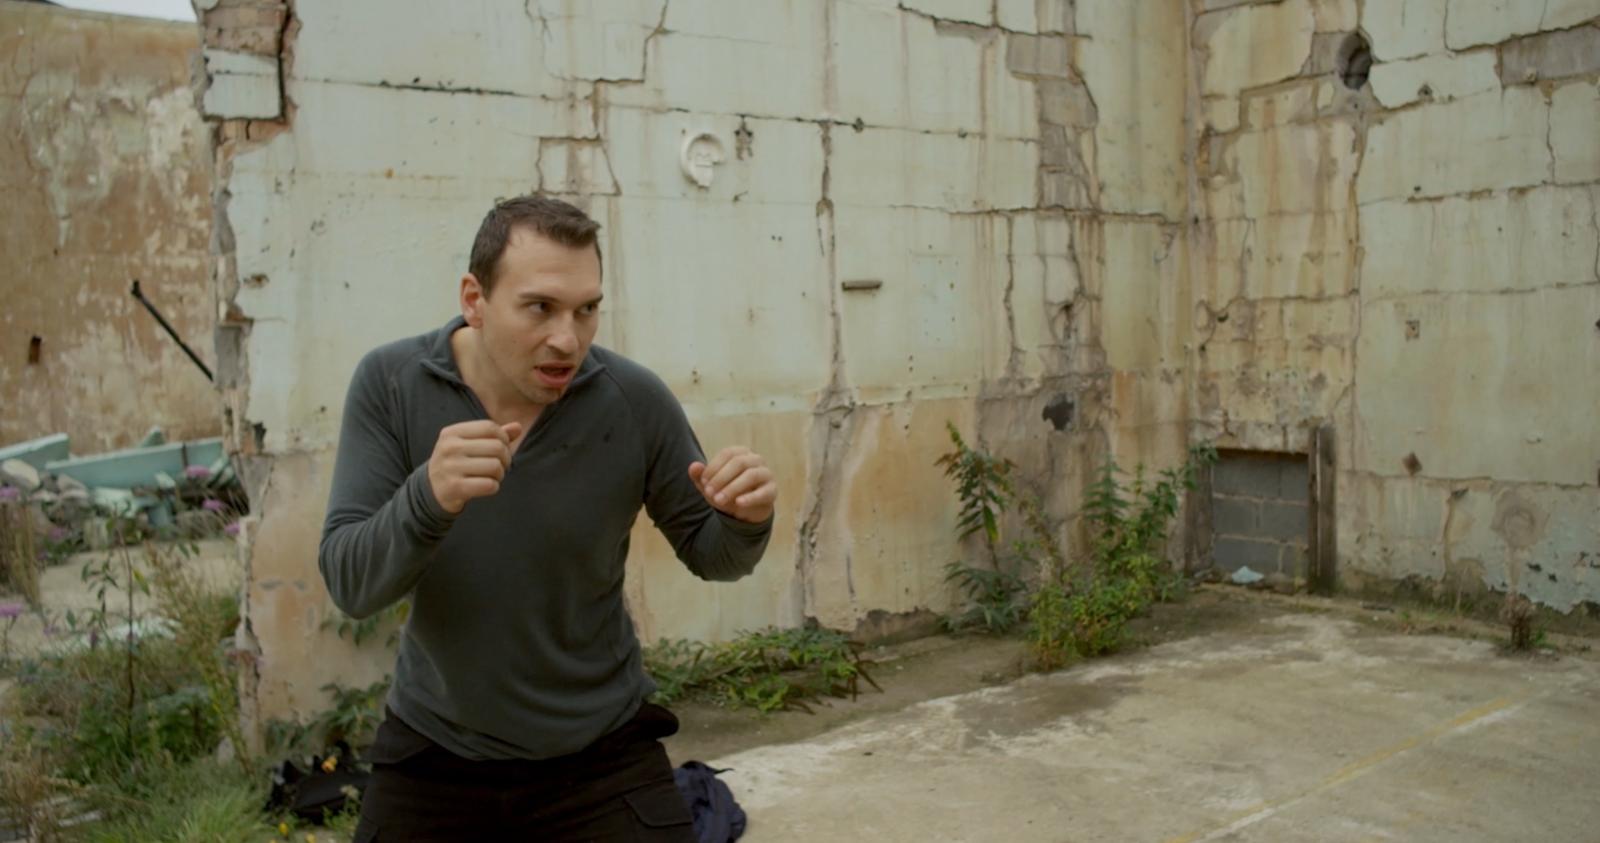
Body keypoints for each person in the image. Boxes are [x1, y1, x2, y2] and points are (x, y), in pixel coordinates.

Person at [319, 195, 777, 840]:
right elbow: (350, 584)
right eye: (540, 307)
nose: (568, 339)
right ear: (475, 299)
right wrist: (427, 498)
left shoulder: (632, 399)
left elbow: (714, 555)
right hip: (437, 750)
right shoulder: (392, 384)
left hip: (601, 753)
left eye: (586, 310)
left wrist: (747, 518)